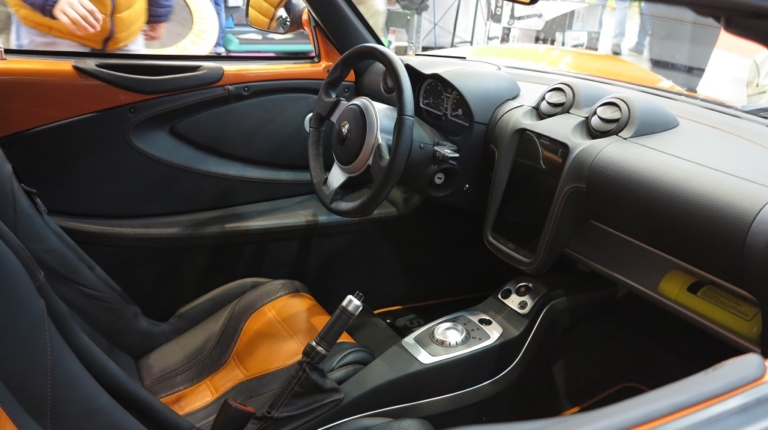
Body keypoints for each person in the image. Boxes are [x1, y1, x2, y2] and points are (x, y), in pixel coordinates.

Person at [6, 0, 173, 53]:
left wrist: (159, 11)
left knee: (128, 94)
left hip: (126, 29)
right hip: (52, 31)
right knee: (47, 97)